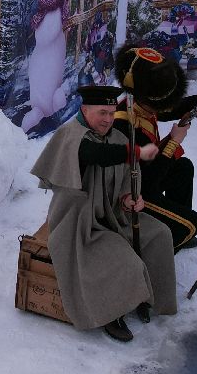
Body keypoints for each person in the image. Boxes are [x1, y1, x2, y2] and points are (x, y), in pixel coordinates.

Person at [30, 84, 178, 342]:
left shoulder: (117, 137)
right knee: (123, 259)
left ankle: (148, 295)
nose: (108, 119)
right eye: (102, 113)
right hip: (80, 225)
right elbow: (95, 154)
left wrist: (130, 199)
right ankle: (112, 313)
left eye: (111, 113)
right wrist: (135, 152)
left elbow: (125, 182)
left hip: (114, 215)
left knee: (160, 234)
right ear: (85, 110)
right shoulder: (71, 136)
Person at [113, 44, 197, 250]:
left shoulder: (137, 100)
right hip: (133, 195)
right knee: (192, 225)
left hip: (146, 178)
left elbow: (174, 107)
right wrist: (173, 142)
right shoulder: (124, 125)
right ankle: (161, 249)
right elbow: (149, 182)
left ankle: (171, 224)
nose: (166, 106)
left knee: (184, 167)